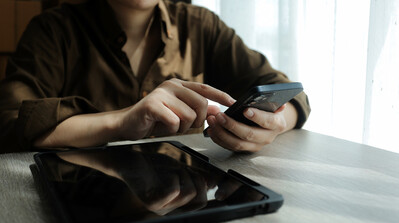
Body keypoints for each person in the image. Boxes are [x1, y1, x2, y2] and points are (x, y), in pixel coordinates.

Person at [0, 0, 310, 153]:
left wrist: (277, 123)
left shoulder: (201, 26)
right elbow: (9, 121)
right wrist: (121, 122)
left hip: (187, 198)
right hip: (88, 199)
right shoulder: (53, 31)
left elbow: (290, 92)